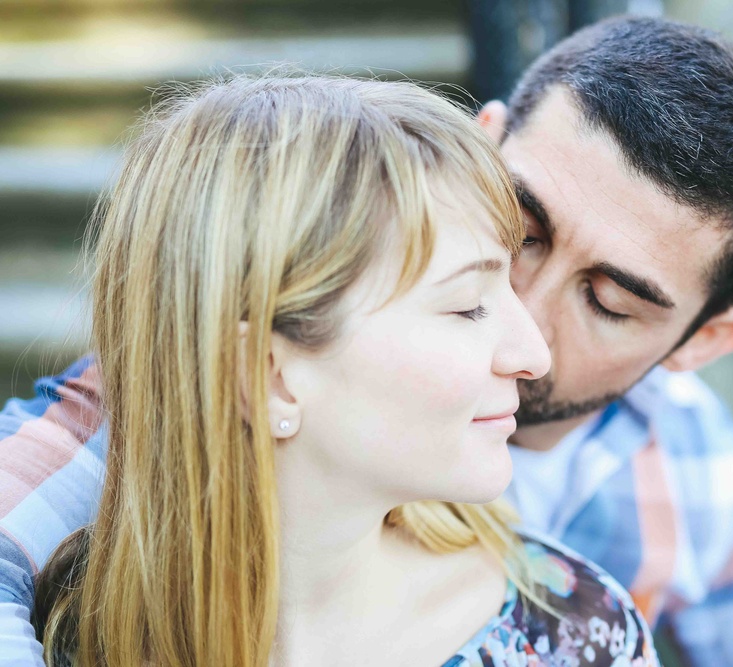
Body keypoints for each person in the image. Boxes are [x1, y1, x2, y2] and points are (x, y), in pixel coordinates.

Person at [0, 15, 733, 667]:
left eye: (609, 301)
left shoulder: (695, 491)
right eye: (521, 231)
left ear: (704, 339)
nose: (528, 323)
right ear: (483, 145)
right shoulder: (194, 389)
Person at [7, 75, 660, 666]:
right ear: (267, 375)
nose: (533, 353)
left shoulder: (576, 640)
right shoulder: (68, 630)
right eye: (467, 307)